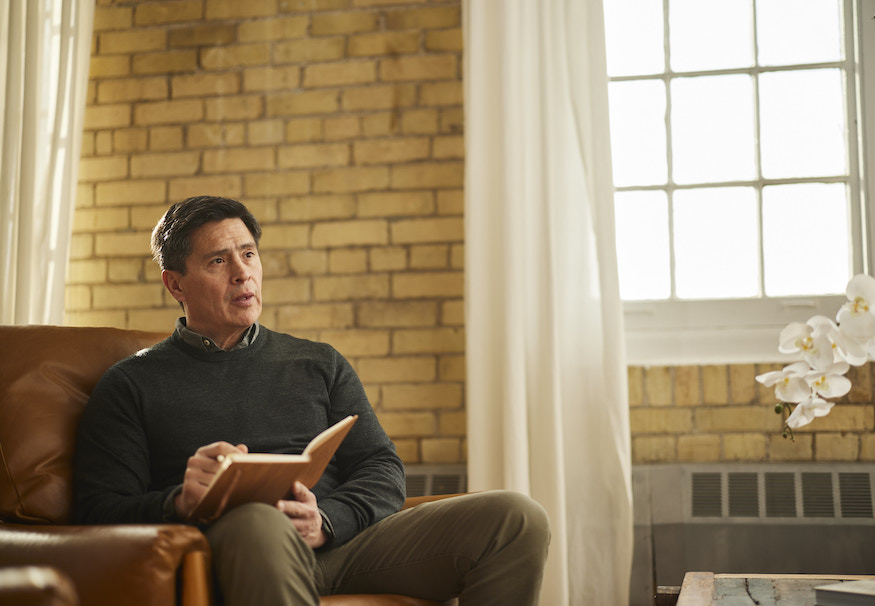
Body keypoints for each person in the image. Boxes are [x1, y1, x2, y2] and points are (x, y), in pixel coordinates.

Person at [73, 195, 550, 605]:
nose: (243, 274)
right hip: (239, 551)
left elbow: (382, 468)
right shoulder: (131, 384)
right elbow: (97, 513)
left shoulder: (319, 362)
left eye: (249, 254)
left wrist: (326, 520)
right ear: (175, 284)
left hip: (341, 543)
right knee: (259, 520)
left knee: (514, 517)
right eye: (219, 261)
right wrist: (181, 502)